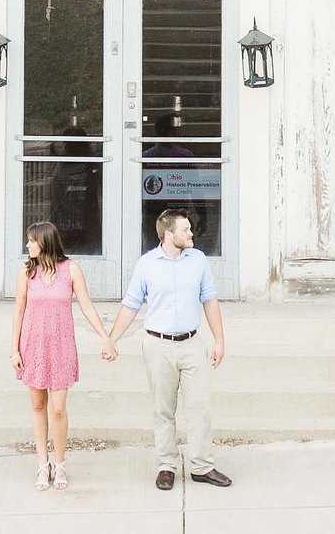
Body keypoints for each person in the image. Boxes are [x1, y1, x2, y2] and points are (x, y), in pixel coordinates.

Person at [104, 208, 232, 491]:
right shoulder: (147, 264)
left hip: (192, 343)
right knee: (163, 409)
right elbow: (131, 304)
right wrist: (112, 339)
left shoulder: (198, 260)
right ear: (168, 234)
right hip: (158, 344)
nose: (191, 233)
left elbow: (210, 300)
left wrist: (219, 340)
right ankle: (167, 465)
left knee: (199, 407)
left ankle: (201, 466)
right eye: (185, 230)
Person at [11, 219, 110, 491]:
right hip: (33, 345)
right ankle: (42, 464)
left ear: (45, 241)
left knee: (58, 407)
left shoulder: (71, 270)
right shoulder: (26, 273)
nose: (28, 244)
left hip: (61, 345)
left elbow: (87, 307)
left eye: (32, 240)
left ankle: (60, 462)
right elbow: (19, 311)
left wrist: (106, 337)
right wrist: (14, 349)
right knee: (37, 405)